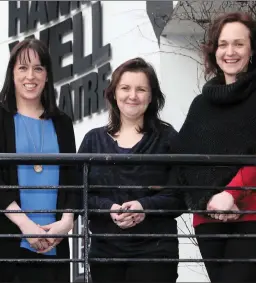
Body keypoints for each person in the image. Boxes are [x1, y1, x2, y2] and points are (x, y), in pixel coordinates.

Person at [166, 12, 256, 283]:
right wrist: (207, 199)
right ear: (214, 51)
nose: (230, 52)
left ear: (252, 49)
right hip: (208, 218)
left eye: (238, 44)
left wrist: (231, 194)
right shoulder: (202, 105)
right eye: (223, 44)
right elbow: (188, 161)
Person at [0, 38, 80, 283]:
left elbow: (72, 178)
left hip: (54, 241)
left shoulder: (62, 123)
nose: (31, 76)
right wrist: (26, 225)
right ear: (12, 73)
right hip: (3, 243)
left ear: (48, 75)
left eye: (38, 68)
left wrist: (67, 221)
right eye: (23, 68)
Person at [78, 57, 183, 283]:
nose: (132, 96)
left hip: (155, 252)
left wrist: (145, 207)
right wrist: (109, 209)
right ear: (114, 93)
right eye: (125, 88)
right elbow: (78, 193)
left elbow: (180, 194)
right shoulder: (93, 141)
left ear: (152, 96)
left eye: (141, 89)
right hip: (105, 252)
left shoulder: (167, 138)